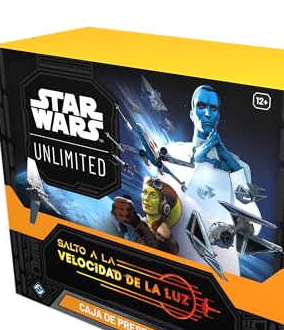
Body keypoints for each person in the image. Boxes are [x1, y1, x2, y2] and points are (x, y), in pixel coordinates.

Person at [162, 85, 262, 276]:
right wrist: (195, 162)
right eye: (201, 106)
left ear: (218, 115)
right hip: (175, 263)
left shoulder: (239, 167)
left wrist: (236, 173)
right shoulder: (171, 152)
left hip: (220, 271)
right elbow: (158, 205)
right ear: (192, 113)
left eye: (213, 108)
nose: (207, 113)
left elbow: (254, 228)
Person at [112, 177, 182, 255]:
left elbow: (158, 247)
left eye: (152, 196)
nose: (146, 198)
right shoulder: (145, 220)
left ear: (164, 207)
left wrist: (136, 222)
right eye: (145, 193)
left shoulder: (162, 228)